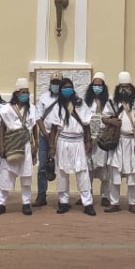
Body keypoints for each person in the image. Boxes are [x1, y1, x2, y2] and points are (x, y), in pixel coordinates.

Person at [102, 71, 135, 214]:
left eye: (127, 86)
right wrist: (111, 120)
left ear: (132, 88)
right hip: (117, 141)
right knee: (115, 174)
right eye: (122, 86)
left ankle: (133, 203)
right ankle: (114, 202)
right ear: (118, 88)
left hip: (131, 142)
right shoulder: (111, 102)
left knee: (132, 175)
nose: (124, 89)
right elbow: (104, 118)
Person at [46, 77, 96, 216]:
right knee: (62, 173)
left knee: (82, 173)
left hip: (78, 141)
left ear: (73, 89)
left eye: (70, 87)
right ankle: (63, 202)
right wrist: (52, 146)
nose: (67, 90)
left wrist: (89, 140)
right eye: (65, 88)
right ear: (61, 90)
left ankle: (87, 203)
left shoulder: (80, 104)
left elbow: (86, 125)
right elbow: (54, 128)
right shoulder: (57, 106)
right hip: (63, 141)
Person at [0, 78, 37, 216]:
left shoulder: (32, 109)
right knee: (6, 174)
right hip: (11, 142)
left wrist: (36, 144)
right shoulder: (6, 109)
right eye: (23, 92)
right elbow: (2, 129)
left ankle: (26, 203)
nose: (25, 95)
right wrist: (1, 146)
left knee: (26, 176)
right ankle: (1, 203)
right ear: (17, 93)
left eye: (27, 92)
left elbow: (34, 128)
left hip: (26, 144)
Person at [83, 72, 112, 206]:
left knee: (104, 168)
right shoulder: (85, 102)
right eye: (95, 85)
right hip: (89, 137)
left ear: (104, 87)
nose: (97, 87)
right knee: (88, 168)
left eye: (99, 85)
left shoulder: (109, 102)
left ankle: (105, 196)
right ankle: (87, 194)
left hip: (103, 137)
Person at [34, 74, 61, 207]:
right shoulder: (44, 97)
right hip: (45, 135)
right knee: (42, 166)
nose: (55, 85)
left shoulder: (65, 99)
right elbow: (38, 116)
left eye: (58, 82)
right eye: (53, 82)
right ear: (50, 83)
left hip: (60, 136)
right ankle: (41, 195)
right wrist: (44, 132)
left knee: (62, 166)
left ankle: (63, 196)